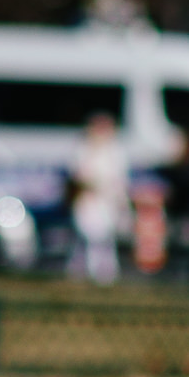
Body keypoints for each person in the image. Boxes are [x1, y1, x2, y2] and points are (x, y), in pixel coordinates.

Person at [69, 111, 129, 284]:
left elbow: (119, 179)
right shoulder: (83, 148)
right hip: (88, 201)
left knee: (105, 239)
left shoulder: (116, 150)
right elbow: (79, 176)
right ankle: (87, 273)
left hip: (108, 202)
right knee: (89, 238)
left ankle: (105, 274)